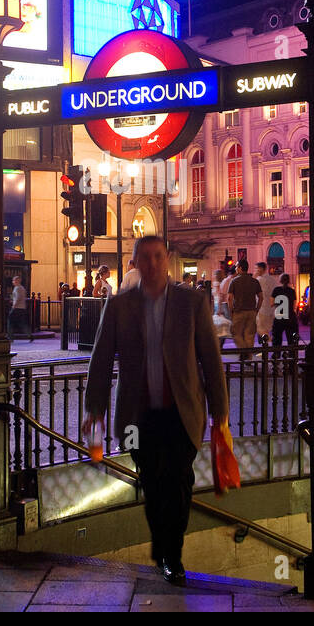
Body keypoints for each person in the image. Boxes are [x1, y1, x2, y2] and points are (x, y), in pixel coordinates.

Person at [83, 234, 230, 585]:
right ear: (135, 262)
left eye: (157, 257)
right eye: (144, 257)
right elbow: (101, 359)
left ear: (167, 261)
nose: (151, 263)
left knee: (179, 482)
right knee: (152, 483)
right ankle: (164, 549)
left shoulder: (191, 302)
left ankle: (171, 555)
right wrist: (95, 409)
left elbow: (210, 358)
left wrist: (220, 410)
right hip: (139, 415)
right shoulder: (119, 305)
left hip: (182, 411)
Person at [226, 259, 261, 349]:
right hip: (252, 312)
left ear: (240, 268)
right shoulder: (254, 281)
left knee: (236, 333)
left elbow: (229, 298)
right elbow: (261, 297)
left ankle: (244, 351)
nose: (236, 268)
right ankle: (248, 357)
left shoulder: (234, 281)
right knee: (249, 335)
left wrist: (231, 312)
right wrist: (256, 310)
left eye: (237, 266)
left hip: (239, 311)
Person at [271, 273, 300, 347]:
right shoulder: (292, 291)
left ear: (280, 280)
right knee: (291, 338)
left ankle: (277, 353)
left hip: (279, 316)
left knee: (277, 338)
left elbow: (272, 303)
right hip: (290, 316)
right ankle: (292, 354)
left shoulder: (276, 290)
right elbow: (294, 305)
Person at [254, 261, 279, 347]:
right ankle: (267, 346)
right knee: (267, 328)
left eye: (257, 268)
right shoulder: (272, 279)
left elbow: (256, 294)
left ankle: (266, 345)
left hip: (262, 308)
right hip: (271, 308)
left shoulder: (259, 280)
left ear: (262, 269)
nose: (255, 270)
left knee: (260, 328)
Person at [9, 275, 29, 339]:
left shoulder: (17, 288)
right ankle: (29, 334)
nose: (13, 282)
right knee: (21, 323)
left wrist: (13, 306)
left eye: (14, 280)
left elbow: (18, 298)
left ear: (17, 281)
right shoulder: (22, 288)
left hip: (16, 308)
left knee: (10, 321)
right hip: (22, 308)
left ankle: (10, 336)